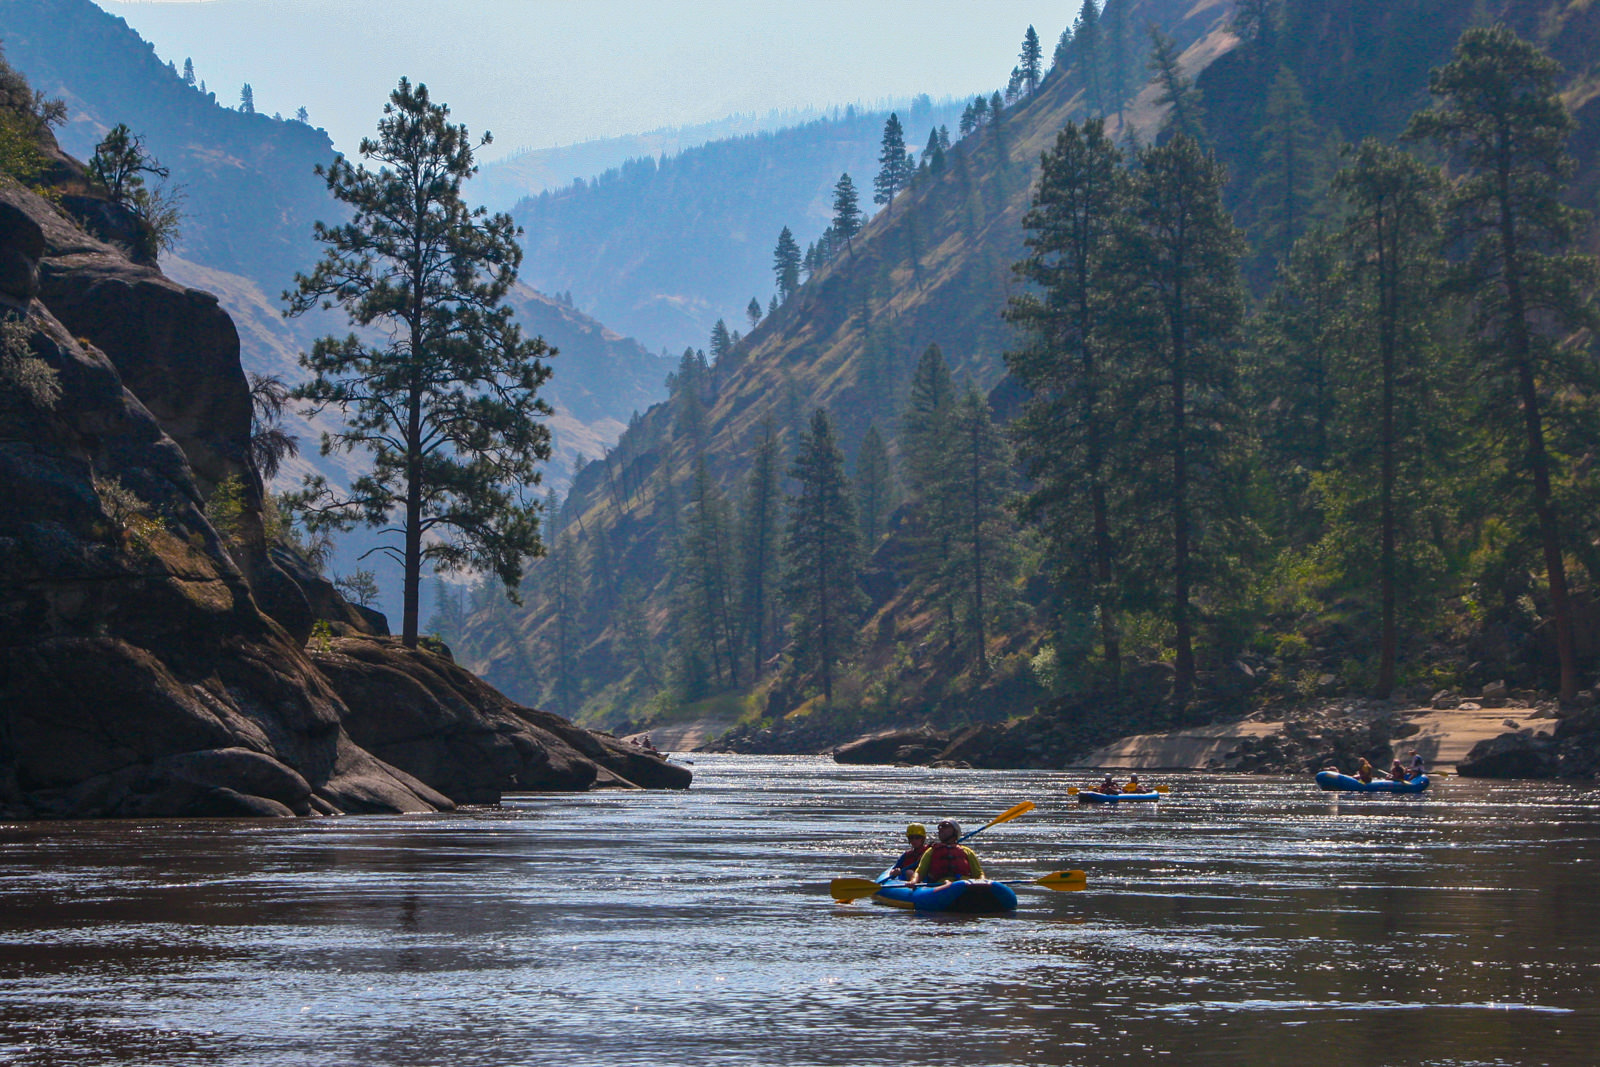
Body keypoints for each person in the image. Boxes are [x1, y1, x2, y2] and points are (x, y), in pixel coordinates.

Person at [907, 819, 985, 885]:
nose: (941, 829)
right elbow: (919, 872)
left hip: (964, 884)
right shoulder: (931, 851)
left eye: (945, 826)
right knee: (947, 883)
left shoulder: (967, 852)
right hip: (941, 886)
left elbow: (979, 874)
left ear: (955, 831)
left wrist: (983, 882)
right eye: (939, 827)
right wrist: (913, 881)